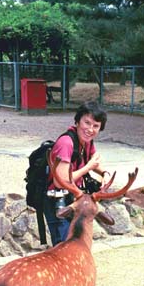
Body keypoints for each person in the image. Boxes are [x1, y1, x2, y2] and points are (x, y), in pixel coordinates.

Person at [43, 101, 109, 246]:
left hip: (74, 198)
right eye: (87, 123)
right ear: (78, 121)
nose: (90, 129)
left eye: (96, 126)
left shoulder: (87, 141)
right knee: (64, 246)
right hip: (57, 199)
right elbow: (60, 181)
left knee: (76, 244)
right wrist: (88, 167)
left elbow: (94, 162)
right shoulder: (66, 143)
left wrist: (105, 173)